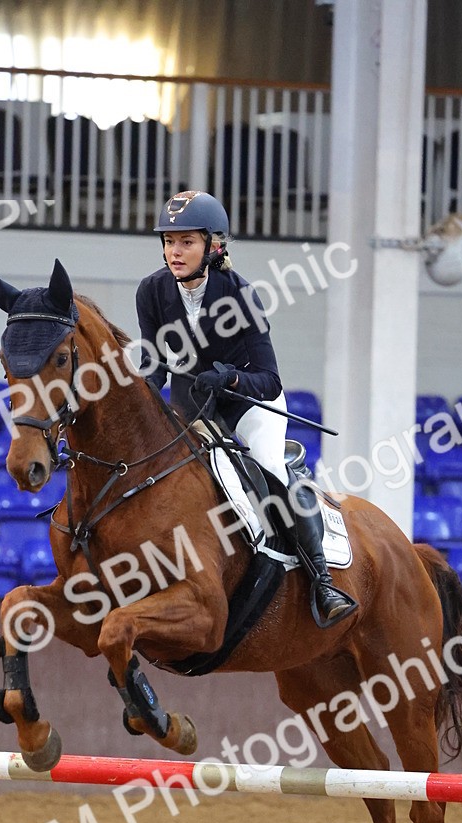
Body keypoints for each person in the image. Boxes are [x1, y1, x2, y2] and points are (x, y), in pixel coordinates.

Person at [135, 189, 354, 627]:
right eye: (169, 241)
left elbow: (269, 379)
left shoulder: (242, 295)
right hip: (192, 406)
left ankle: (322, 581)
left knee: (270, 469)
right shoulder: (152, 291)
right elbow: (155, 364)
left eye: (186, 242)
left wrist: (231, 378)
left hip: (250, 406)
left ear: (214, 246)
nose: (173, 252)